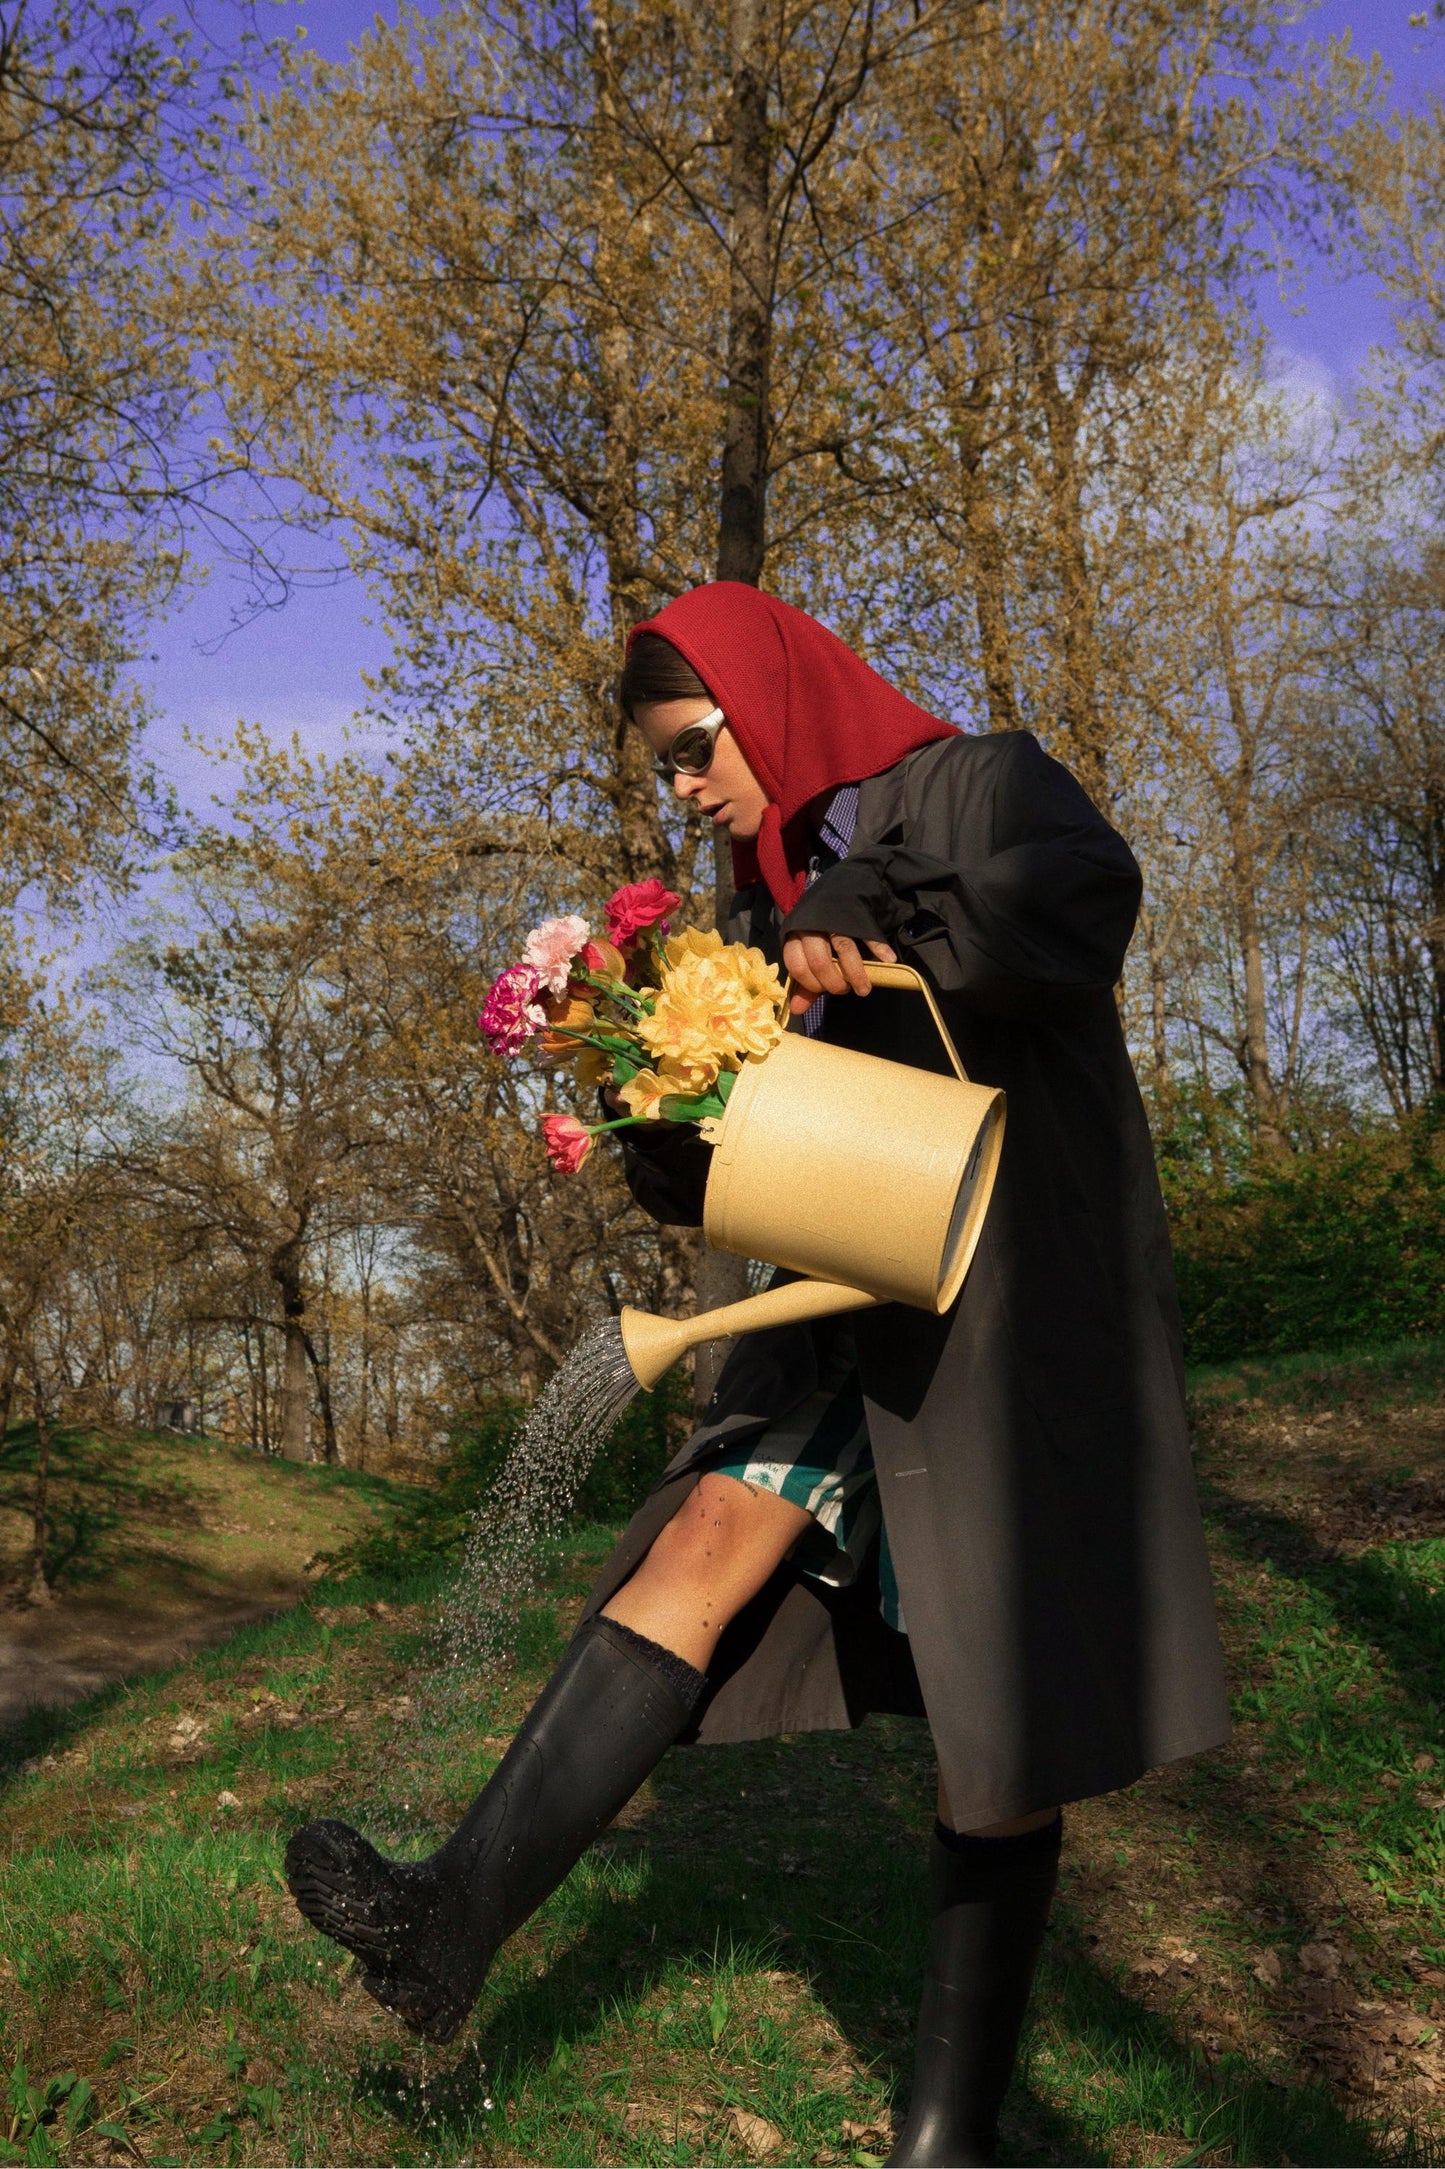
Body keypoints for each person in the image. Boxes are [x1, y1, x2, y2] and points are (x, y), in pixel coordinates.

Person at [284, 582, 1230, 2168]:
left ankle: (950, 2135)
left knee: (992, 1709)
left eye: (695, 748)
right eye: (665, 767)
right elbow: (781, 1124)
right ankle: (451, 1918)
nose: (686, 788)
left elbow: (1085, 902)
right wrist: (666, 1126)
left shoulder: (978, 782)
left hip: (1000, 1315)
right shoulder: (758, 891)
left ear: (769, 696)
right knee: (703, 1538)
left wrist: (882, 900)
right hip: (838, 1308)